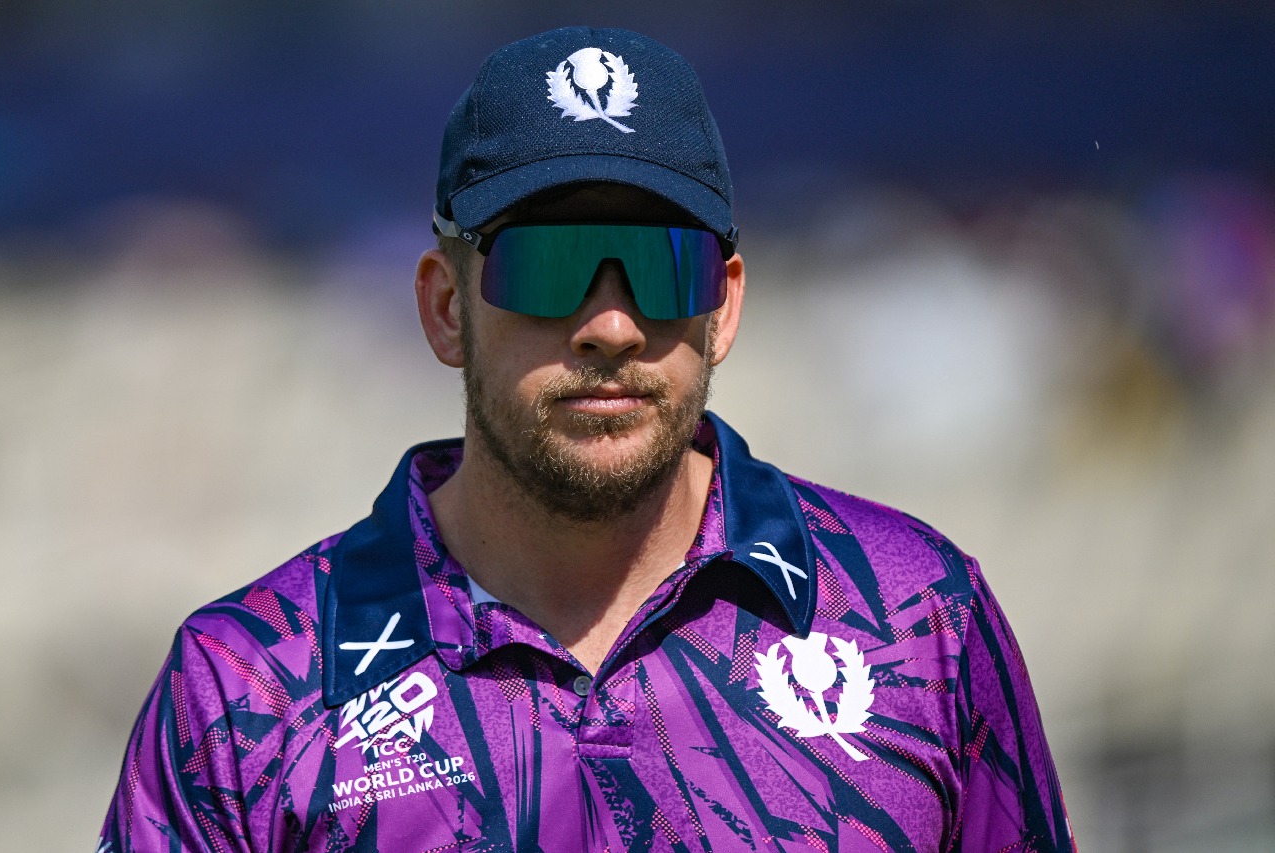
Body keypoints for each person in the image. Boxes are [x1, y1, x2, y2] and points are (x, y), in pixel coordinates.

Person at [100, 26, 1074, 853]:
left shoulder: (917, 617)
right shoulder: (247, 689)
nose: (610, 326)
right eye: (548, 261)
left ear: (724, 306)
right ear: (446, 308)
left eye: (663, 263)